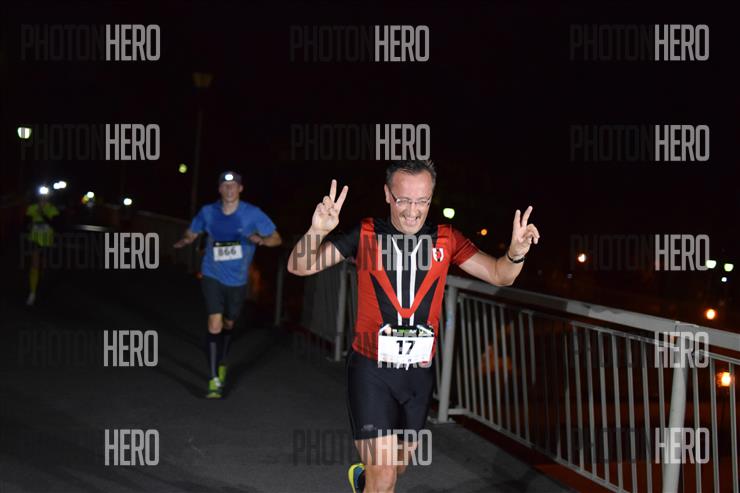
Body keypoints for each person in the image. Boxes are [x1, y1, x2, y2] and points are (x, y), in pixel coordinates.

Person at [286, 160, 540, 493]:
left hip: (418, 375)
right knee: (385, 477)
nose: (412, 211)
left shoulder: (446, 239)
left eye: (421, 201)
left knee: (398, 465)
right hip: (371, 370)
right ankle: (373, 479)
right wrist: (317, 230)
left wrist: (516, 253)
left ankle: (363, 479)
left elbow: (499, 275)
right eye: (403, 199)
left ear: (431, 198)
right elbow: (300, 266)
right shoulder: (366, 234)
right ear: (387, 195)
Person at [174, 171, 282, 399]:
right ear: (219, 189)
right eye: (225, 185)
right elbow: (193, 230)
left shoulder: (252, 213)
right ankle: (214, 379)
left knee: (228, 323)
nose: (229, 189)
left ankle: (221, 356)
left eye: (234, 186)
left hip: (237, 280)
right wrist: (186, 239)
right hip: (212, 273)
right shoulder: (208, 212)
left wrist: (261, 239)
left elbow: (277, 239)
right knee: (214, 323)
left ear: (240, 189)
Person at [25, 186, 60, 306]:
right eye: (41, 196)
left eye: (46, 196)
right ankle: (32, 293)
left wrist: (42, 213)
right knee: (34, 265)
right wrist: (29, 223)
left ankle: (41, 289)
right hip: (35, 239)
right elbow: (26, 222)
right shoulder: (32, 208)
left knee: (44, 266)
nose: (43, 198)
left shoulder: (52, 208)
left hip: (47, 241)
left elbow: (55, 223)